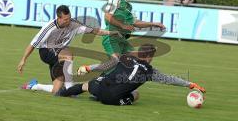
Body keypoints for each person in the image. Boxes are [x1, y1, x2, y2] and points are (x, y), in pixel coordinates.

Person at [56, 44, 206, 106]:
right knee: (136, 94)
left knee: (85, 85)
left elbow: (107, 64)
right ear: (149, 57)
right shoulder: (150, 71)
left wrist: (89, 67)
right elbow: (169, 79)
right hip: (113, 100)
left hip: (100, 88)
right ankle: (107, 98)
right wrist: (190, 84)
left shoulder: (125, 57)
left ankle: (61, 93)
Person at [17, 5, 120, 94]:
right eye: (66, 19)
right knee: (68, 54)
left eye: (69, 18)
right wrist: (23, 60)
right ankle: (70, 88)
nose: (68, 21)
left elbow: (94, 31)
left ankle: (34, 86)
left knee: (57, 90)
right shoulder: (49, 27)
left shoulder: (74, 24)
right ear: (59, 18)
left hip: (59, 55)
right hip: (46, 53)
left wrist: (111, 33)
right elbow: (33, 44)